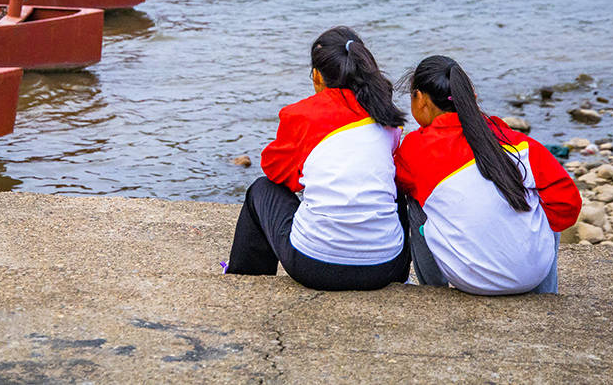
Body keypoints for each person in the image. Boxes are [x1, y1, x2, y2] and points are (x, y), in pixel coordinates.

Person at [225, 27, 411, 291]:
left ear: (316, 75)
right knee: (395, 185)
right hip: (385, 266)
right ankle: (402, 277)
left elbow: (275, 171)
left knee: (261, 189)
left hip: (314, 266)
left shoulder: (303, 115)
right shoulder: (387, 118)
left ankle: (246, 281)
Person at [394, 55, 581, 295]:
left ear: (419, 99)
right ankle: (546, 294)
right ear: (469, 97)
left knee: (416, 198)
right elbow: (568, 204)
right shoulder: (513, 142)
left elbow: (394, 185)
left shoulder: (414, 149)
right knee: (541, 199)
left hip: (471, 279)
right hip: (533, 274)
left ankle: (433, 289)